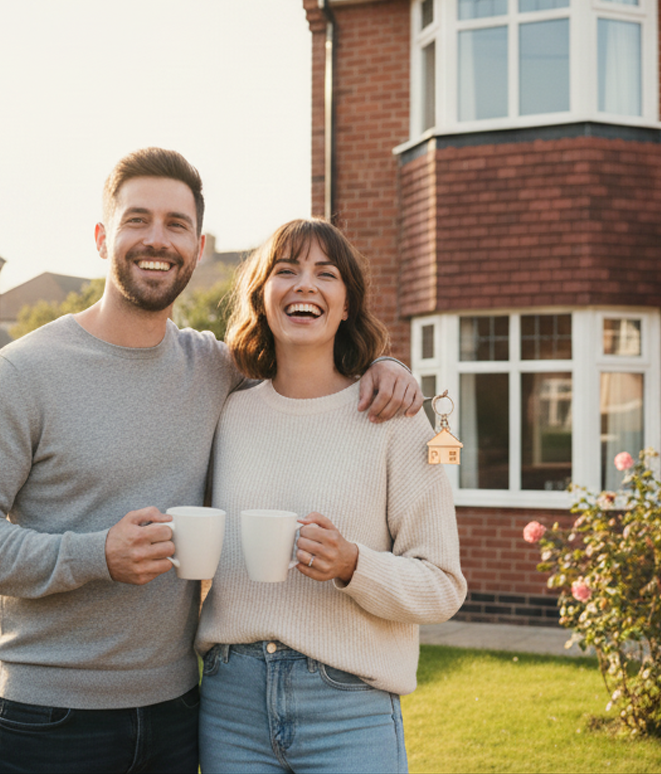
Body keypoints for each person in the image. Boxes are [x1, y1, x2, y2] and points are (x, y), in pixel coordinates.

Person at [0, 149, 423, 774]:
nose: (156, 239)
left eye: (175, 225)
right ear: (104, 236)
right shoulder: (23, 373)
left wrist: (387, 368)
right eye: (138, 220)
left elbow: (303, 364)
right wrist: (95, 554)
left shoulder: (213, 369)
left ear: (197, 245)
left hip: (178, 713)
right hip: (49, 715)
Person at [196, 219, 467, 774]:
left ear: (346, 305)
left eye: (326, 273)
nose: (305, 285)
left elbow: (443, 587)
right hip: (231, 705)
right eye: (286, 270)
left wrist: (353, 565)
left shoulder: (395, 418)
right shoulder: (227, 410)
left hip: (349, 707)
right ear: (262, 297)